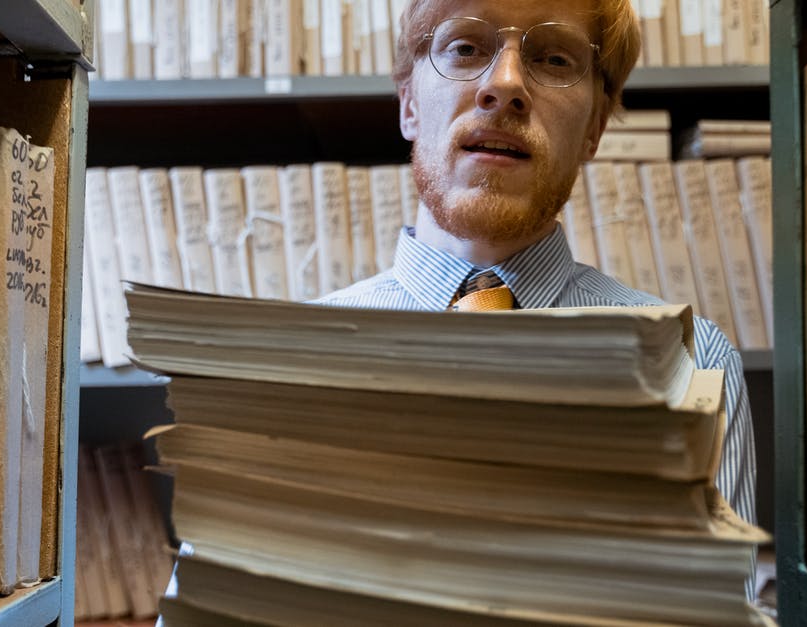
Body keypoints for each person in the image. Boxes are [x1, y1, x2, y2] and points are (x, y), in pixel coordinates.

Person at [161, 0, 758, 612]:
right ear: (410, 103)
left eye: (553, 58)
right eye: (466, 47)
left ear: (596, 127)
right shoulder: (276, 378)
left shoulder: (691, 364)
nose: (504, 85)